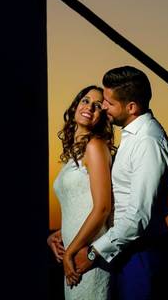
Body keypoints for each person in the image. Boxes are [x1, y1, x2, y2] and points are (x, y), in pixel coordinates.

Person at [72, 66, 168, 299]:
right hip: (122, 250)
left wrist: (92, 253)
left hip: (140, 254)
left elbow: (138, 217)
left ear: (131, 107)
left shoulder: (148, 142)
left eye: (109, 102)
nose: (103, 107)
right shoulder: (132, 135)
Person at [48, 85, 117, 299]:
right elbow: (78, 206)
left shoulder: (95, 146)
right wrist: (58, 235)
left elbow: (103, 208)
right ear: (76, 105)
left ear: (102, 116)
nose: (90, 107)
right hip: (73, 255)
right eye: (85, 100)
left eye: (98, 105)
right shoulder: (73, 153)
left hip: (86, 256)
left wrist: (70, 251)